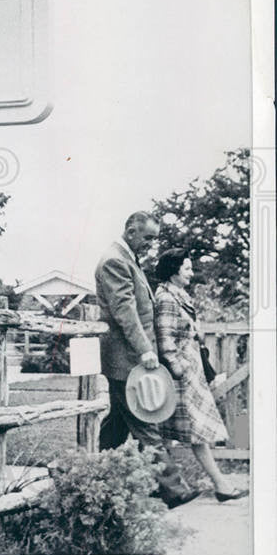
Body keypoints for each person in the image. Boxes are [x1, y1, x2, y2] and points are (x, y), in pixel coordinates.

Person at [95, 212, 199, 508]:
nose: (152, 245)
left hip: (127, 358)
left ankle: (95, 475)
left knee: (116, 425)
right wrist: (145, 350)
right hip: (126, 358)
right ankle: (173, 490)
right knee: (146, 422)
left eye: (155, 239)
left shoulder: (126, 257)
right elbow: (124, 311)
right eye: (148, 238)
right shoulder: (115, 260)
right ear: (130, 231)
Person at [154, 248, 248, 502]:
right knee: (186, 432)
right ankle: (221, 486)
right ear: (174, 272)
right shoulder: (165, 298)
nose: (191, 273)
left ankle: (162, 484)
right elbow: (165, 341)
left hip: (190, 372)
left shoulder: (179, 295)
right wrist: (180, 371)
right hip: (181, 376)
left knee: (170, 432)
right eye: (187, 268)